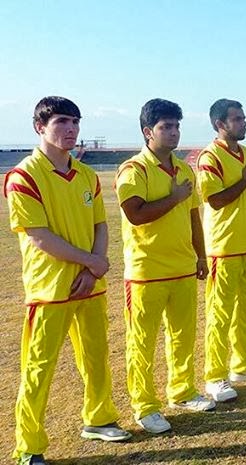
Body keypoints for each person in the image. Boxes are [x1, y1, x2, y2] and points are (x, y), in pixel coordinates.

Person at [6, 96, 130, 465]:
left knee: (96, 357)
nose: (71, 129)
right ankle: (29, 446)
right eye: (61, 121)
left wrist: (93, 270)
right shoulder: (24, 176)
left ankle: (99, 418)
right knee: (38, 368)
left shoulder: (87, 174)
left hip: (90, 284)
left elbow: (100, 225)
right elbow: (39, 237)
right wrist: (91, 262)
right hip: (50, 289)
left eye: (75, 122)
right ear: (39, 127)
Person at [117, 98, 215, 434]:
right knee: (142, 341)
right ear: (148, 132)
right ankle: (144, 406)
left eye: (176, 126)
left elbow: (193, 217)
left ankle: (183, 390)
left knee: (183, 335)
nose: (173, 133)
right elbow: (136, 214)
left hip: (183, 266)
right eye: (165, 127)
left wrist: (200, 256)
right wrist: (173, 197)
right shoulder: (134, 170)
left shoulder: (185, 170)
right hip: (147, 271)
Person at [196, 99, 246, 404]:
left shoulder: (245, 153)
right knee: (220, 314)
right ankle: (215, 375)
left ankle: (243, 364)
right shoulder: (210, 156)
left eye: (243, 118)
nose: (244, 123)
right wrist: (243, 182)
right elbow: (214, 199)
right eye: (237, 119)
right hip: (223, 247)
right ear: (221, 124)